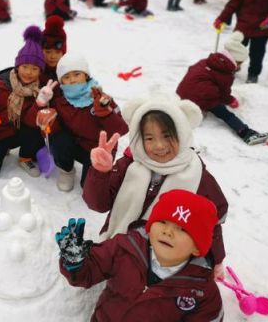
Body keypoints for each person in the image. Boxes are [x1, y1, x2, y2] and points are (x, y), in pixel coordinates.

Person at [83, 95, 228, 277]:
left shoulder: (198, 177)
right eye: (149, 138)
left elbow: (212, 223)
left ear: (182, 134)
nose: (159, 145)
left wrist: (217, 261)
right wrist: (101, 173)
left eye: (167, 136)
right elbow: (98, 204)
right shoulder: (128, 166)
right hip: (121, 247)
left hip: (167, 261)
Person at [56, 190, 224, 321]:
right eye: (163, 222)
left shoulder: (202, 293)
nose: (168, 231)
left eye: (182, 229)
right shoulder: (125, 247)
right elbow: (89, 271)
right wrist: (75, 261)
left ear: (197, 248)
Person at [35, 54, 128, 191]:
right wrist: (45, 110)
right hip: (75, 143)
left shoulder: (101, 98)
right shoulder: (60, 100)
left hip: (97, 149)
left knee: (88, 187)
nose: (72, 80)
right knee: (58, 139)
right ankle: (66, 170)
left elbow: (122, 129)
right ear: (61, 82)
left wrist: (106, 113)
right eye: (66, 77)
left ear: (86, 75)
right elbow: (54, 129)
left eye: (76, 74)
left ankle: (91, 173)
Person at [0, 26, 46, 178]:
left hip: (20, 131)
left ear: (40, 71)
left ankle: (25, 157)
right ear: (17, 66)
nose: (28, 72)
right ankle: (1, 150)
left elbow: (31, 121)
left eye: (34, 69)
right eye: (25, 67)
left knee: (35, 133)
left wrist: (40, 103)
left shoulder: (38, 91)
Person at [177, 31, 268, 145]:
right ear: (235, 61)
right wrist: (230, 100)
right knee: (227, 115)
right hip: (202, 98)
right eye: (240, 63)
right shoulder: (225, 74)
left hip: (182, 93)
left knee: (209, 91)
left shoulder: (206, 61)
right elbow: (224, 94)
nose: (240, 66)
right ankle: (246, 133)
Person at [41, 15, 66, 83]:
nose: (52, 56)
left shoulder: (68, 72)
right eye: (48, 52)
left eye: (57, 52)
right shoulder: (34, 71)